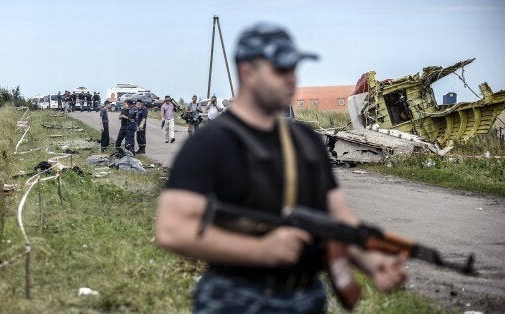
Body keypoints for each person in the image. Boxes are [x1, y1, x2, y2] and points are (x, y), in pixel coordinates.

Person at [156, 23, 406, 313]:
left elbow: (338, 216)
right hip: (235, 299)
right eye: (280, 69)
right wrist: (260, 251)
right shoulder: (209, 144)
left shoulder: (306, 141)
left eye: (294, 69)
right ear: (248, 72)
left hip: (307, 297)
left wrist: (371, 260)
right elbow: (172, 231)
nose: (291, 79)